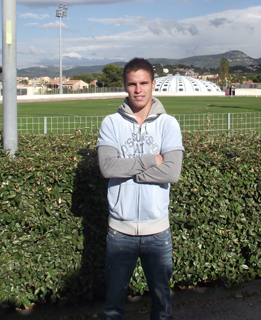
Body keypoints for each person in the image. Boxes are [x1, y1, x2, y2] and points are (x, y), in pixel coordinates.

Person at [96, 57, 184, 320]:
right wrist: (151, 161)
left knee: (163, 306)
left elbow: (172, 172)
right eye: (132, 84)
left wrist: (129, 170)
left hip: (157, 232)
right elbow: (108, 168)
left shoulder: (168, 124)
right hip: (120, 232)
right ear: (125, 85)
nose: (138, 89)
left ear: (153, 84)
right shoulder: (111, 123)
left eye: (144, 83)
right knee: (112, 307)